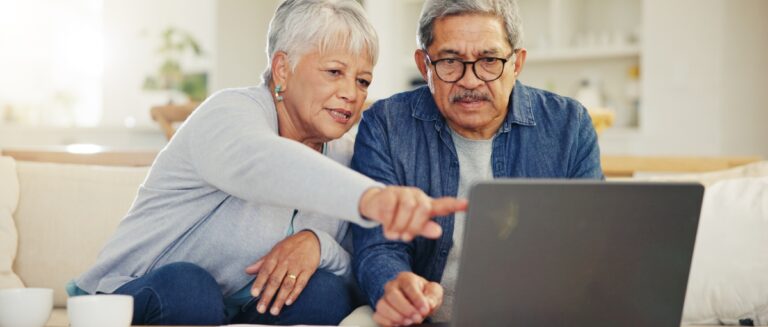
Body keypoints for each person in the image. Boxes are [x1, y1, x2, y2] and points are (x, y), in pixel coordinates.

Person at [69, 0, 466, 325]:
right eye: (334, 72)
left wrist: (317, 245)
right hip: (136, 294)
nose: (351, 93)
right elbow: (262, 163)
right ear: (282, 69)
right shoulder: (228, 114)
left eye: (362, 81)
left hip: (242, 306)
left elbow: (355, 263)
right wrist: (372, 198)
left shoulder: (345, 155)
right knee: (191, 288)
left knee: (326, 293)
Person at [350, 0, 604, 325]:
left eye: (488, 60)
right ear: (423, 64)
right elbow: (377, 246)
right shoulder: (385, 125)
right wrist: (395, 285)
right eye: (450, 61)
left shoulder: (569, 126)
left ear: (517, 63)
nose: (470, 81)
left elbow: (589, 246)